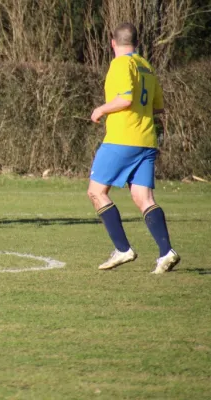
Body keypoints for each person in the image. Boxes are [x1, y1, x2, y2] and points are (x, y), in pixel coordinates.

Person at [88, 22, 180, 274]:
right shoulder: (146, 66)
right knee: (144, 198)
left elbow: (125, 98)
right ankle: (166, 253)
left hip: (122, 138)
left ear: (112, 42)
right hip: (147, 139)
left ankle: (122, 249)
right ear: (137, 43)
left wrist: (101, 109)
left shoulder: (120, 64)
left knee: (96, 192)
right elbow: (158, 106)